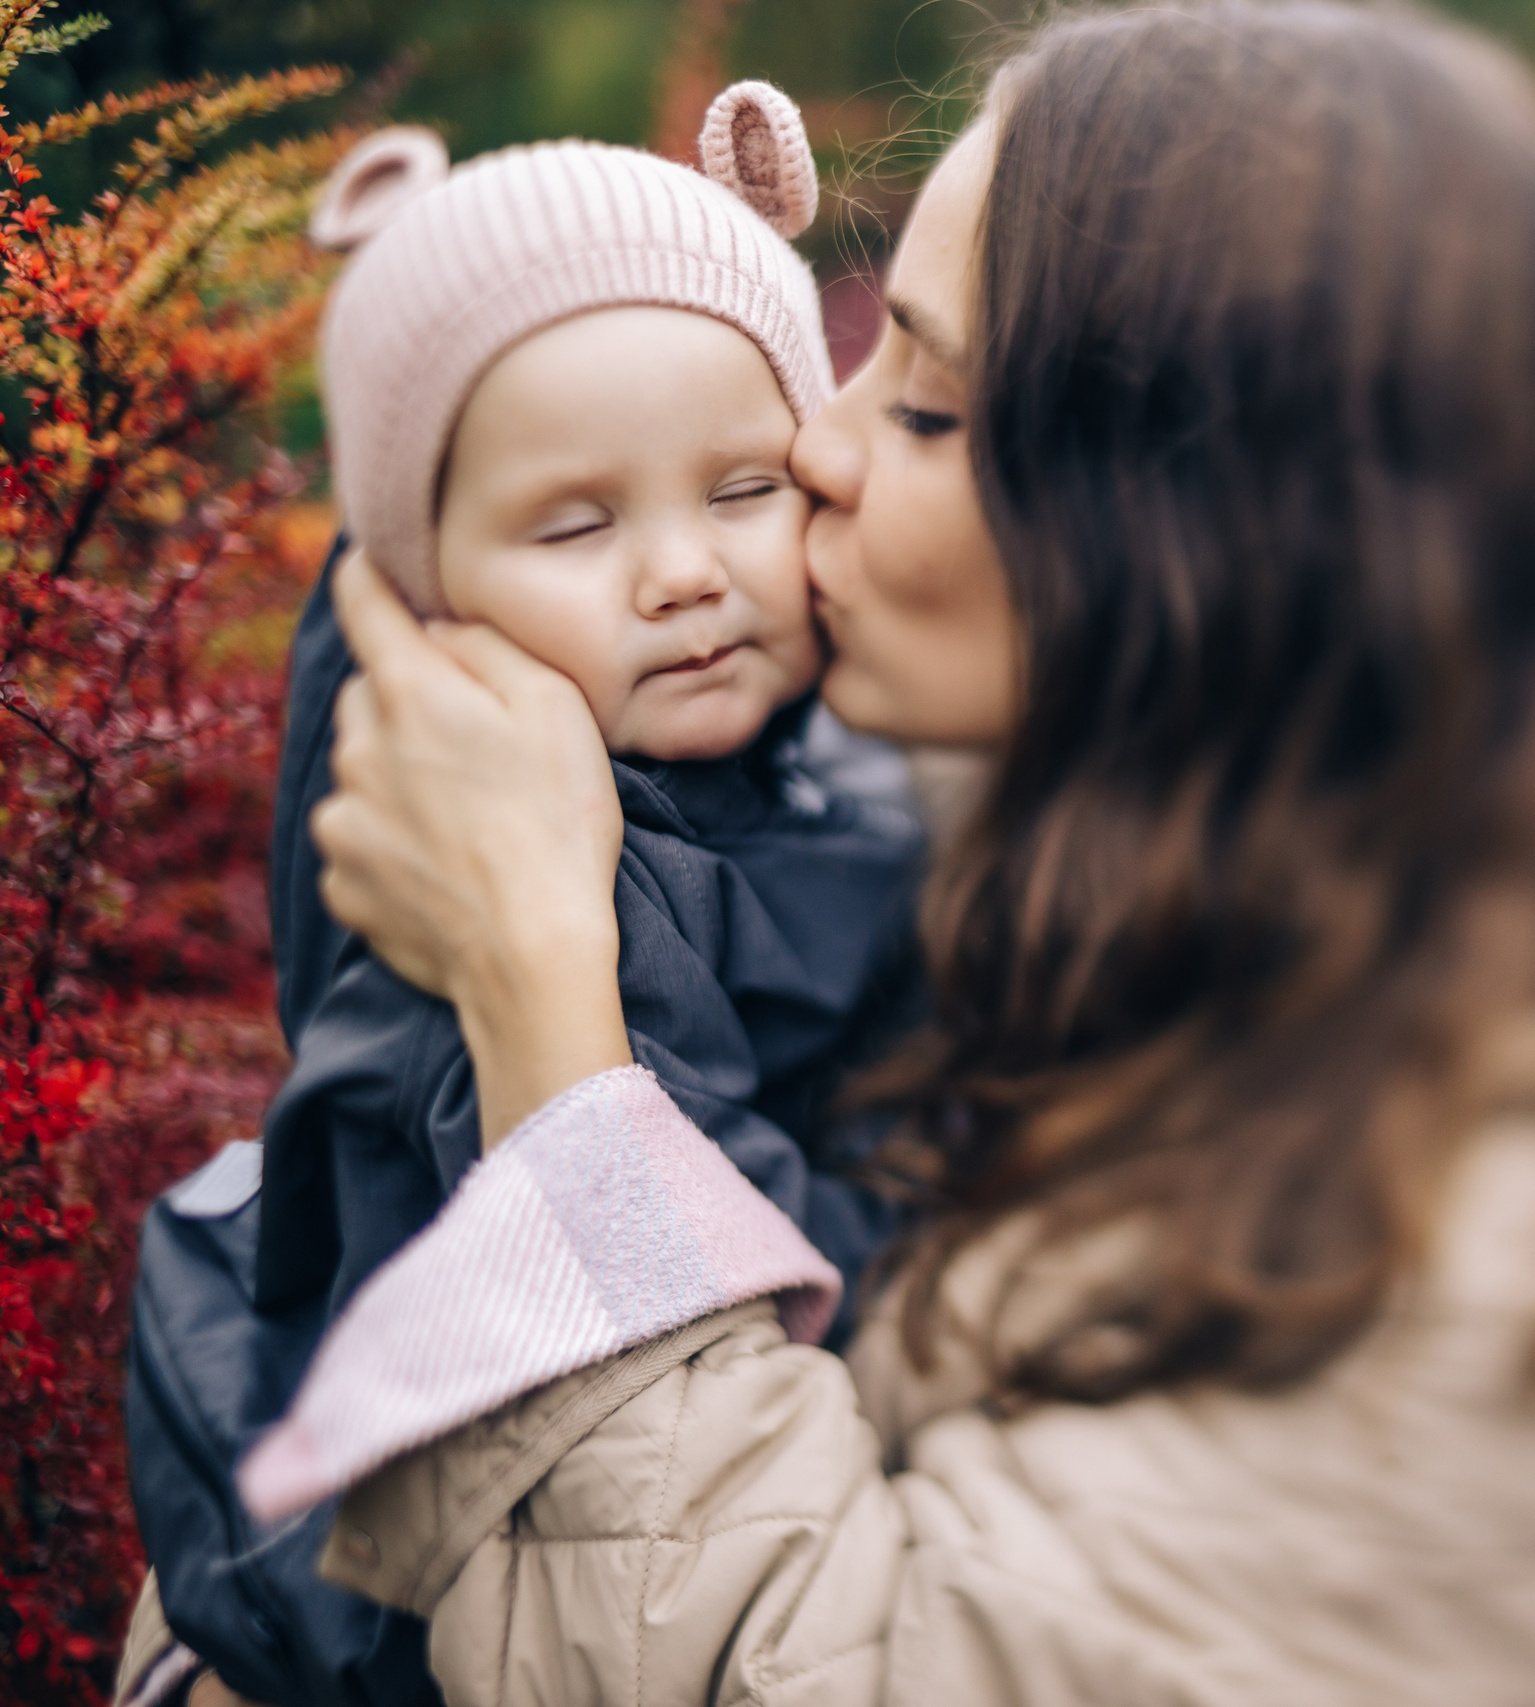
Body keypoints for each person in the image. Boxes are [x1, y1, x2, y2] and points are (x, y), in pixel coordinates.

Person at [245, 4, 1535, 1702]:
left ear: (1208, 541)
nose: (815, 449)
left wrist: (545, 1010)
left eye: (924, 409)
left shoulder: (1506, 1251)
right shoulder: (1098, 898)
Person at [116, 85, 929, 1707]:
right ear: (427, 596)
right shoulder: (550, 876)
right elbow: (725, 1231)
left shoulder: (807, 754)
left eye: (745, 490)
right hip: (475, 1568)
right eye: (574, 522)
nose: (683, 571)